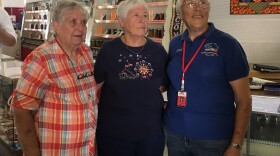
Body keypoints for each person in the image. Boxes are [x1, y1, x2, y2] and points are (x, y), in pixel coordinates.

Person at [9, 1, 98, 155]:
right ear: (56, 26)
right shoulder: (41, 58)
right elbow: (21, 109)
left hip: (85, 149)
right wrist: (31, 152)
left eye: (83, 22)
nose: (81, 27)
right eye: (73, 22)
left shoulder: (86, 53)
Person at [164, 0, 252, 156]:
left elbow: (244, 100)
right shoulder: (175, 44)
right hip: (175, 134)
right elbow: (168, 83)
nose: (198, 9)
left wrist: (236, 145)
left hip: (214, 139)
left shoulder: (228, 44)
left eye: (203, 3)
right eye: (191, 3)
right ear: (180, 12)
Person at [94, 0, 168, 155]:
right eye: (136, 15)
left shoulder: (158, 51)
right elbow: (96, 88)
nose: (142, 20)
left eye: (145, 15)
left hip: (150, 134)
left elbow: (164, 84)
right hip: (113, 134)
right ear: (121, 21)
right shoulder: (108, 51)